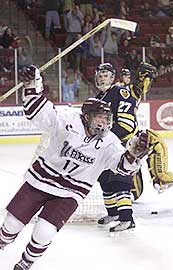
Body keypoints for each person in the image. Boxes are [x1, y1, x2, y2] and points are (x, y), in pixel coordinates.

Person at [0, 65, 148, 270]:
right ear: (87, 116)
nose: (103, 123)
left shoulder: (110, 141)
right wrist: (31, 85)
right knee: (11, 226)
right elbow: (39, 113)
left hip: (70, 193)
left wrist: (134, 154)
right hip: (39, 181)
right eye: (100, 118)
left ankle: (25, 263)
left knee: (44, 232)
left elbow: (122, 168)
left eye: (107, 119)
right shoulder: (68, 120)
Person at [95, 63, 173, 228]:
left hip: (125, 145)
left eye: (106, 75)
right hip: (108, 146)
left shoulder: (121, 91)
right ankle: (114, 213)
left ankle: (161, 179)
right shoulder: (98, 98)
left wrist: (143, 80)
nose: (102, 77)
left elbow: (126, 124)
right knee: (104, 179)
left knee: (120, 178)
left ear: (112, 78)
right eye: (100, 74)